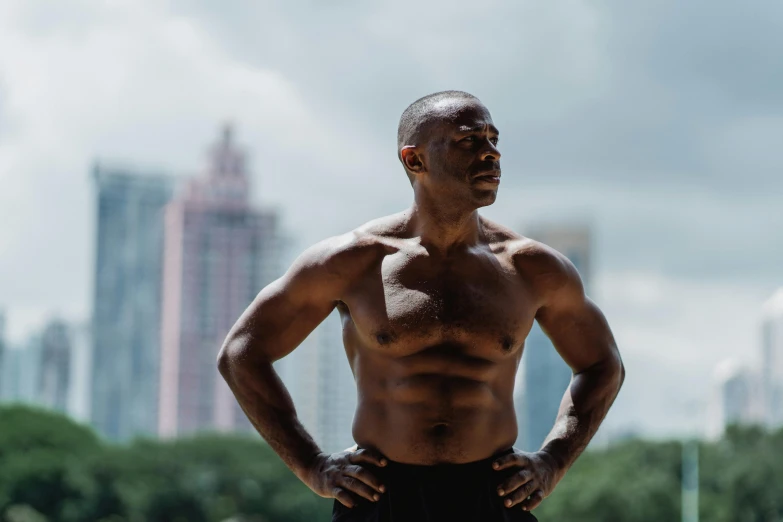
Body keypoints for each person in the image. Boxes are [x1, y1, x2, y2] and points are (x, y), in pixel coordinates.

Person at [217, 90, 625, 521]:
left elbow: (603, 365)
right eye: (469, 141)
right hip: (379, 497)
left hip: (493, 496)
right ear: (414, 160)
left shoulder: (532, 269)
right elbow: (243, 353)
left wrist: (553, 461)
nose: (491, 155)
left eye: (493, 139)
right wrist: (312, 466)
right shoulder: (351, 262)